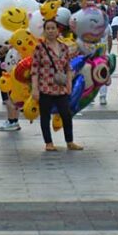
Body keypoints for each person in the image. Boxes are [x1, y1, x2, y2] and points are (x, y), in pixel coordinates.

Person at [31, 18, 82, 152]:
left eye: (53, 28)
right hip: (45, 87)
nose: (51, 31)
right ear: (44, 31)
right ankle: (48, 142)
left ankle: (69, 141)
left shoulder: (64, 47)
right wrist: (35, 89)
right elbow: (34, 69)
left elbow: (68, 67)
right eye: (48, 28)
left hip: (61, 88)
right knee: (45, 115)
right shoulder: (40, 48)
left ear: (57, 30)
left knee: (66, 114)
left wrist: (69, 83)